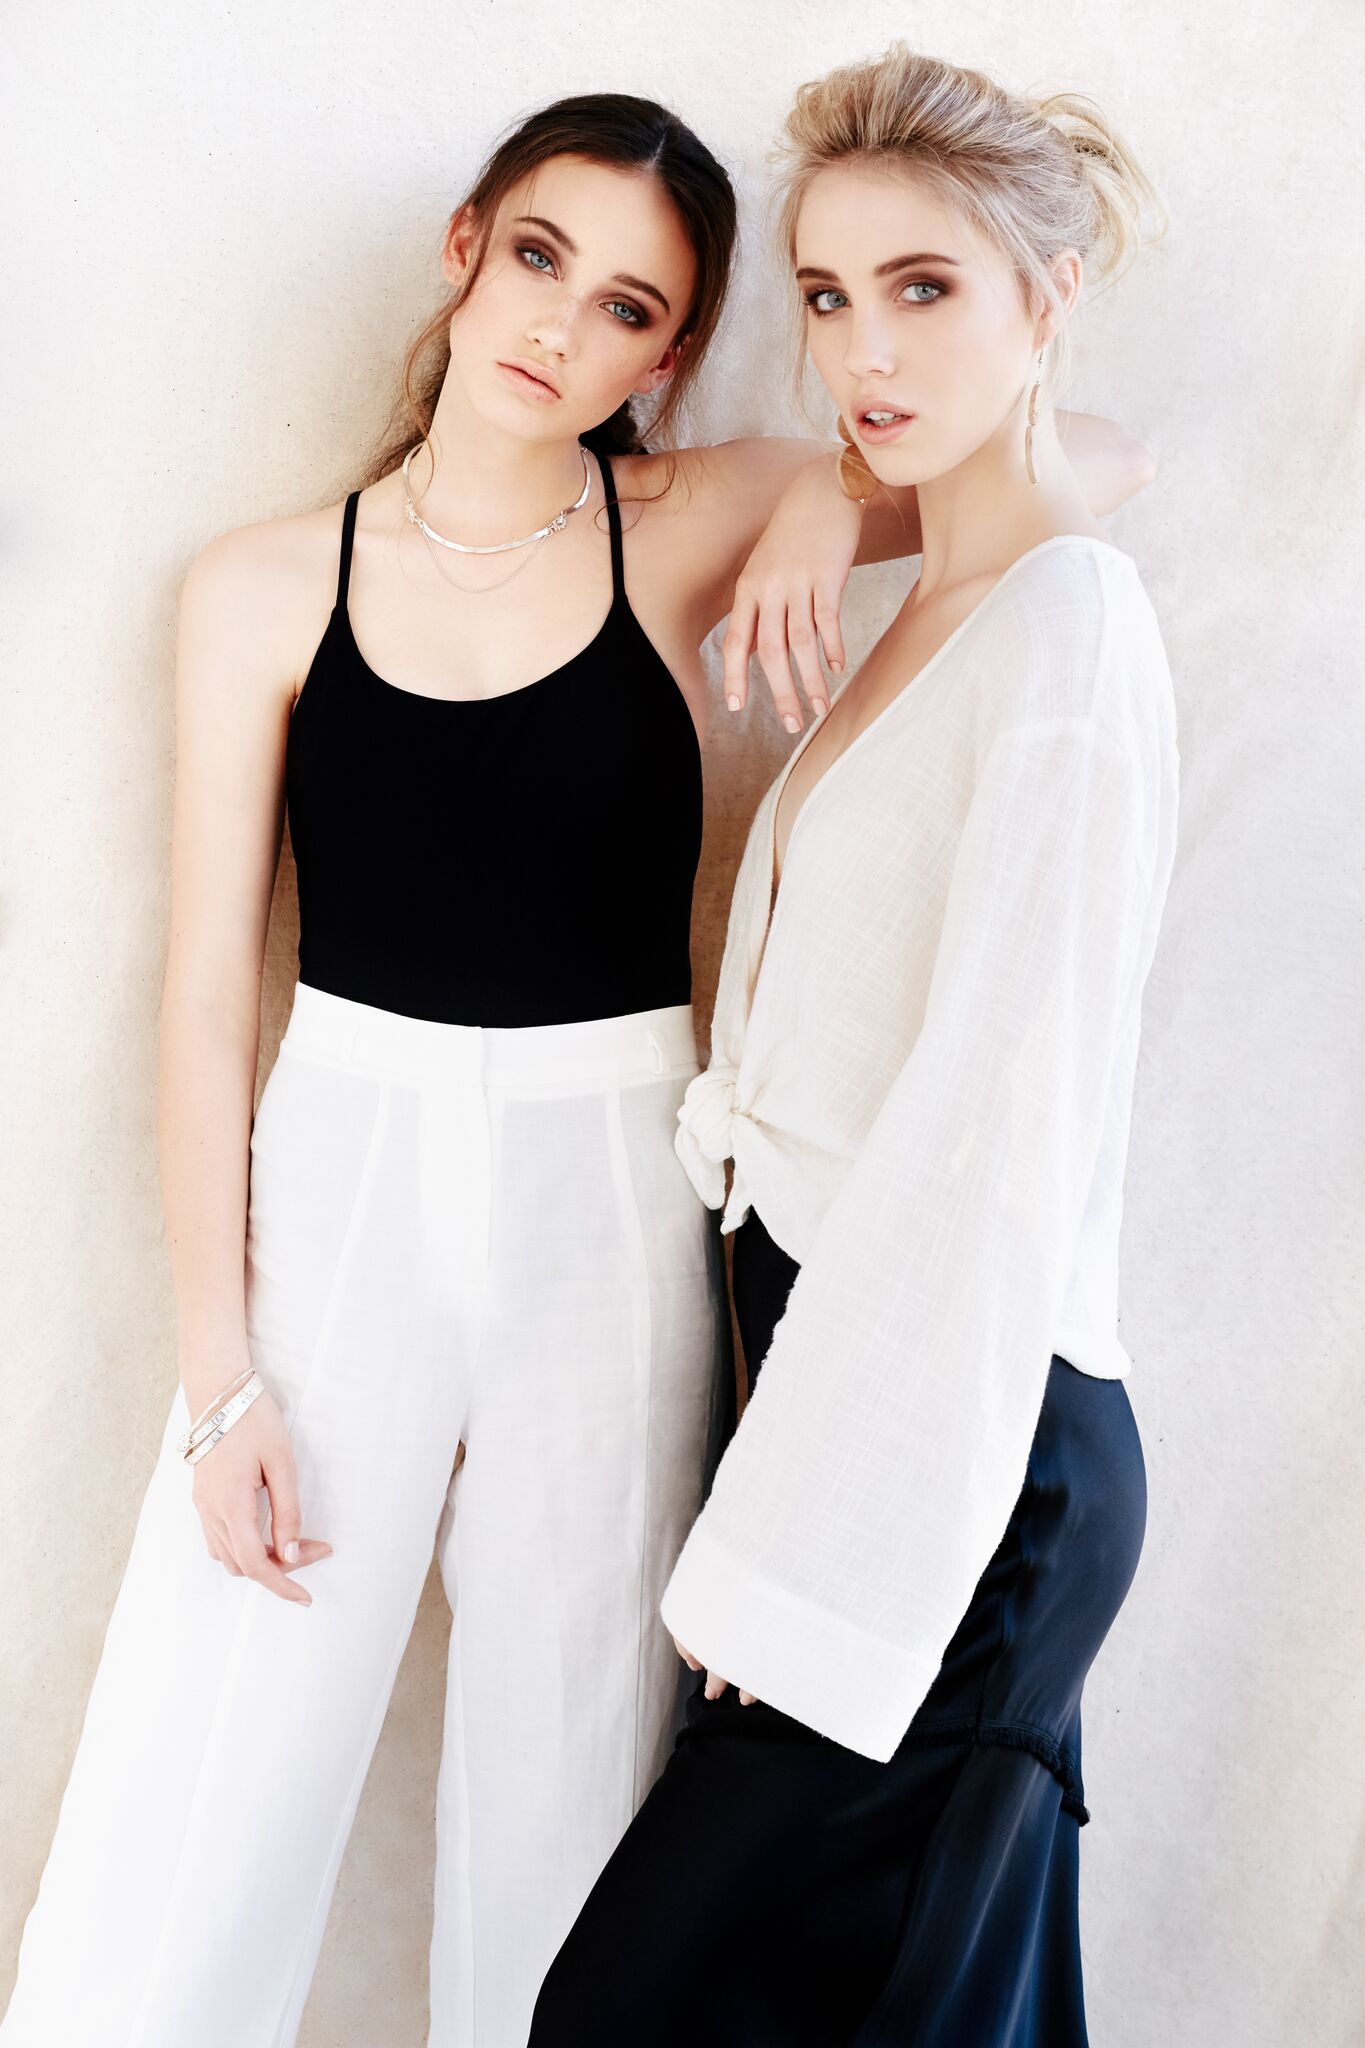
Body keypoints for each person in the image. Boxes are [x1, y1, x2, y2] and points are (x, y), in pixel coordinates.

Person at [1, 87, 1152, 2048]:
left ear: (670, 358)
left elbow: (1084, 455)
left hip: (616, 1194)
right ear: (464, 249)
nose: (562, 324)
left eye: (630, 308)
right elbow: (205, 994)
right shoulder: (262, 583)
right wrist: (219, 1376)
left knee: (573, 1797)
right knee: (203, 1764)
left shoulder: (686, 517)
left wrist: (812, 499)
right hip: (344, 1173)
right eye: (540, 257)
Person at [530, 47, 1179, 2048]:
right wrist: (829, 489)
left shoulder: (1064, 632)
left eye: (923, 288)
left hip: (954, 1457)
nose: (861, 350)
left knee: (632, 2015)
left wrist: (813, 1547)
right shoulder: (940, 607)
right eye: (825, 296)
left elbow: (989, 1142)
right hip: (844, 1395)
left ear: (1048, 299)